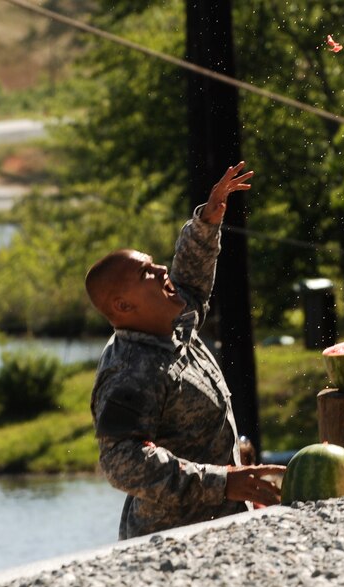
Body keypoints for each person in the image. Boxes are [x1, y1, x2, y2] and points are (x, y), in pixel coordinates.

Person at [85, 161, 285, 540]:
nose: (161, 270)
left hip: (222, 525)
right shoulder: (129, 371)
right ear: (124, 307)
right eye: (146, 272)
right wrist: (222, 482)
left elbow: (189, 282)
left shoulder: (171, 321)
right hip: (170, 541)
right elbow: (122, 461)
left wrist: (206, 223)